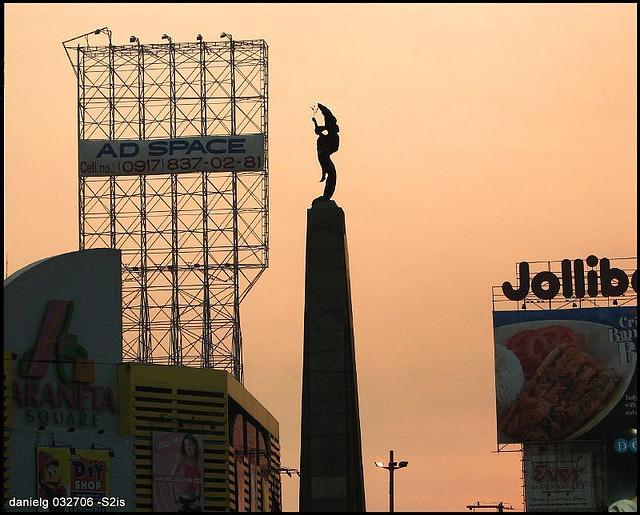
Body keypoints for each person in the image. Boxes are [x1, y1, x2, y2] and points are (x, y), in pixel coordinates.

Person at [312, 103, 340, 200]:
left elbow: (335, 148)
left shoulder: (331, 137)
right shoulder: (326, 138)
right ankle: (326, 196)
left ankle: (326, 196)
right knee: (332, 175)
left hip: (325, 157)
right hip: (324, 157)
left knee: (332, 175)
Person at [172, 434, 203, 512]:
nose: (188, 447)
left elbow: (201, 481)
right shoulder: (181, 459)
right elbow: (172, 477)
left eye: (190, 444)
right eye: (186, 445)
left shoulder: (198, 460)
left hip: (195, 498)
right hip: (182, 498)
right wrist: (175, 497)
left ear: (195, 446)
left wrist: (199, 499)